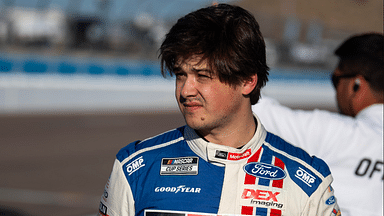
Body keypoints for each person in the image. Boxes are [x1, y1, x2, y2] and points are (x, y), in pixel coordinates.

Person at [99, 4, 340, 216]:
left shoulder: (307, 183)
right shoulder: (136, 166)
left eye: (202, 76)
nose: (185, 90)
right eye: (181, 75)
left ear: (247, 81)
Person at [252, 33, 383, 216]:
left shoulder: (337, 133)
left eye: (336, 80)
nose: (336, 90)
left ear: (357, 84)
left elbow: (258, 110)